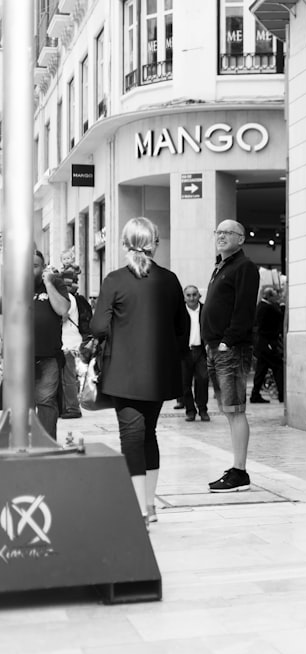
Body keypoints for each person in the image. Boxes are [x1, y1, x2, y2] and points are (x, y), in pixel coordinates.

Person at [90, 217, 187, 524]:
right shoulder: (170, 280)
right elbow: (182, 328)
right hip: (158, 374)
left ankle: (139, 511)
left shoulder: (114, 280)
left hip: (123, 374)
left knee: (131, 437)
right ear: (154, 243)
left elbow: (98, 327)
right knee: (149, 435)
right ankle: (150, 506)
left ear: (124, 244)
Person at [203, 219, 260, 493]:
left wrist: (227, 341)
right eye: (219, 232)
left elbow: (244, 309)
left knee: (236, 410)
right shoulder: (221, 266)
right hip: (215, 348)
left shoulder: (245, 267)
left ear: (241, 239)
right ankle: (236, 467)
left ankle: (240, 472)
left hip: (231, 348)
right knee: (229, 410)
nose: (222, 236)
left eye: (228, 232)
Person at [29, 251, 71, 440]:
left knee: (46, 402)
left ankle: (45, 446)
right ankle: (23, 446)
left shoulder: (55, 283)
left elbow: (62, 309)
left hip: (48, 356)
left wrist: (48, 283)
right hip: (21, 357)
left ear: (43, 267)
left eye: (35, 266)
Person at [59, 267, 92, 419]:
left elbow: (62, 318)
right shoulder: (69, 297)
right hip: (68, 343)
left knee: (68, 378)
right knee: (67, 378)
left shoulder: (67, 299)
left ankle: (72, 408)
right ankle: (66, 406)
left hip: (68, 344)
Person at [250, 285, 284, 403]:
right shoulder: (266, 308)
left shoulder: (263, 306)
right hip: (267, 343)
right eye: (275, 296)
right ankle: (282, 394)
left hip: (263, 344)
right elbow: (277, 318)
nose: (277, 298)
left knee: (261, 370)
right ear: (269, 296)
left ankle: (255, 394)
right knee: (278, 367)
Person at [181, 285, 210, 422]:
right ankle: (190, 410)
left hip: (201, 351)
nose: (191, 298)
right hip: (185, 352)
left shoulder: (206, 310)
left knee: (203, 380)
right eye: (188, 295)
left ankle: (203, 409)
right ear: (184, 297)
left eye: (194, 294)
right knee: (185, 383)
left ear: (199, 295)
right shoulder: (179, 312)